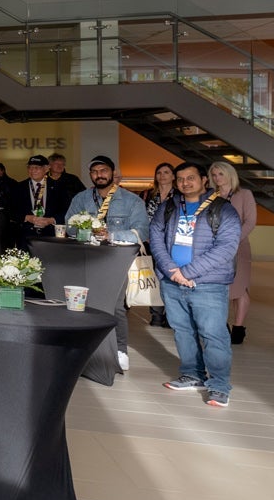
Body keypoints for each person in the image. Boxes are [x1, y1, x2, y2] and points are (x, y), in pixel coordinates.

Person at [149, 162, 239, 407]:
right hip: (172, 282)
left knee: (213, 335)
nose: (184, 183)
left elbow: (226, 248)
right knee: (182, 331)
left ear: (203, 180)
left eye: (190, 178)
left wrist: (187, 272)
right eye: (180, 179)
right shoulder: (168, 207)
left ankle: (219, 385)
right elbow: (155, 237)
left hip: (207, 283)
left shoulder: (223, 209)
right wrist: (171, 271)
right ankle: (192, 375)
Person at [67, 155, 150, 371]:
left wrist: (110, 234)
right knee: (84, 304)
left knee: (115, 307)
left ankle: (120, 350)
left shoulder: (132, 201)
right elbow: (69, 226)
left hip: (117, 261)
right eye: (94, 172)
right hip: (86, 260)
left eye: (103, 171)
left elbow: (142, 231)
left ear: (113, 173)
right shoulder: (81, 198)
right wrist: (86, 231)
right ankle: (88, 349)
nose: (99, 175)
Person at [208, 161, 256, 345]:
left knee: (240, 287)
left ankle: (238, 328)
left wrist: (233, 241)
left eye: (220, 174)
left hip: (238, 247)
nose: (217, 178)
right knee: (220, 287)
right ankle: (222, 326)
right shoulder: (211, 196)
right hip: (214, 248)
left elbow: (250, 221)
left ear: (230, 174)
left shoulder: (244, 194)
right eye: (214, 175)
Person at [142, 162, 177, 328]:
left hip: (172, 245)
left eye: (166, 172)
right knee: (153, 280)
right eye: (159, 173)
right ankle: (156, 315)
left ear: (173, 176)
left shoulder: (179, 195)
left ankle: (171, 316)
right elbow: (142, 219)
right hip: (151, 243)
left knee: (170, 280)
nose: (162, 176)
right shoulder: (147, 194)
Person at [8, 154, 70, 247]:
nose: (32, 171)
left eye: (37, 167)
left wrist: (51, 220)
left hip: (51, 236)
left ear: (46, 169)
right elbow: (10, 211)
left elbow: (66, 210)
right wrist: (27, 218)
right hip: (25, 236)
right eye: (30, 167)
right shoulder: (18, 187)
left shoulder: (59, 187)